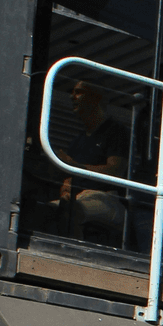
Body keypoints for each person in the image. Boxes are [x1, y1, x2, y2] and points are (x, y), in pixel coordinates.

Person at [55, 80, 131, 242]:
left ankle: (72, 255)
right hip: (78, 196)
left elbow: (116, 169)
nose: (72, 97)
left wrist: (78, 167)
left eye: (79, 92)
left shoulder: (116, 131)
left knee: (73, 211)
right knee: (46, 210)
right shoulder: (77, 141)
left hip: (107, 198)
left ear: (95, 98)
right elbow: (68, 175)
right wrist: (66, 188)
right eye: (72, 92)